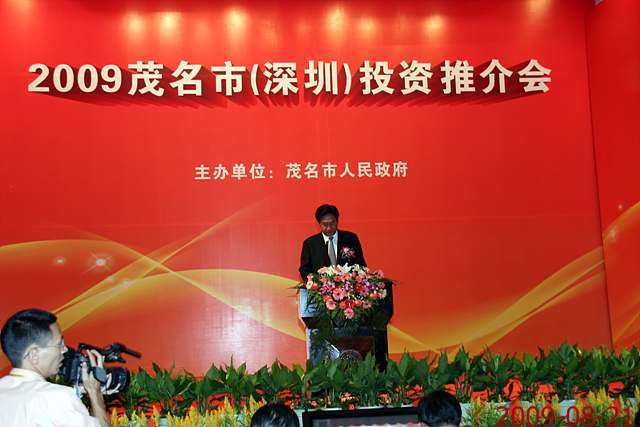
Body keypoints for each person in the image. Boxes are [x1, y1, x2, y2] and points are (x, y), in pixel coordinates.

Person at [0, 308, 110, 427]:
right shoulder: (55, 397)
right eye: (59, 344)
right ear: (34, 355)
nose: (65, 349)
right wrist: (95, 393)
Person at [299, 204, 366, 280]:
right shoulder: (310, 244)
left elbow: (361, 265)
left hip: (348, 285)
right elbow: (305, 269)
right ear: (319, 223)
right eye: (325, 224)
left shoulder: (351, 239)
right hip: (322, 286)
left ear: (337, 221)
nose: (329, 228)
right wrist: (316, 280)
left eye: (332, 223)